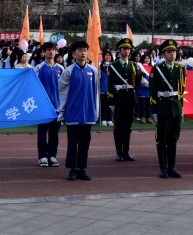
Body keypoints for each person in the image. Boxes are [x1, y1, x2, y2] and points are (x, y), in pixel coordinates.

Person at [57, 41, 99, 181]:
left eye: (85, 50)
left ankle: (82, 168)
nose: (83, 53)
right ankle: (72, 169)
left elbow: (96, 92)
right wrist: (62, 111)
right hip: (73, 113)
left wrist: (95, 110)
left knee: (85, 143)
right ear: (74, 54)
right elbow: (62, 92)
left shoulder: (92, 70)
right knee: (72, 143)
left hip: (88, 114)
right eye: (80, 50)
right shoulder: (68, 71)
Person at [149, 39, 187, 178]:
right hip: (162, 107)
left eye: (174, 52)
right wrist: (153, 111)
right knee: (162, 140)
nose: (172, 54)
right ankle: (163, 168)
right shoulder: (157, 69)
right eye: (169, 52)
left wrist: (181, 109)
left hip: (175, 108)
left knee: (173, 139)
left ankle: (171, 167)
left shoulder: (181, 69)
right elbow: (152, 91)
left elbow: (182, 90)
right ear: (164, 54)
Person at [33, 42, 63, 168]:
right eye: (49, 50)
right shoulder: (38, 68)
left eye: (53, 50)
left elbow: (64, 88)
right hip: (43, 107)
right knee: (42, 133)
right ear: (43, 52)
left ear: (56, 52)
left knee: (54, 134)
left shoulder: (61, 69)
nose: (51, 52)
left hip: (57, 107)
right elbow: (33, 86)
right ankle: (42, 156)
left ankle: (52, 155)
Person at [108, 38, 139, 161]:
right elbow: (110, 86)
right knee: (118, 127)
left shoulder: (133, 65)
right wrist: (111, 102)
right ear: (119, 50)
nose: (126, 51)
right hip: (118, 98)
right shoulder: (113, 66)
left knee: (127, 127)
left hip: (130, 99)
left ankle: (126, 152)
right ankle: (119, 152)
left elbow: (136, 83)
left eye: (128, 49)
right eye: (124, 49)